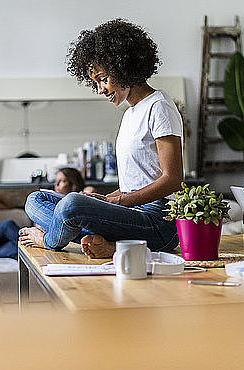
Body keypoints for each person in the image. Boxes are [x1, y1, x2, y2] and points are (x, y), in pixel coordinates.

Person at [19, 19, 183, 258]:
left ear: (124, 67)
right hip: (131, 214)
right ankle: (110, 243)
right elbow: (137, 181)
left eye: (103, 79)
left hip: (158, 221)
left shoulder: (160, 106)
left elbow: (173, 180)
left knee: (71, 205)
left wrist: (120, 202)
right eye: (95, 82)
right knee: (36, 199)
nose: (100, 89)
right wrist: (108, 198)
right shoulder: (130, 114)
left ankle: (49, 239)